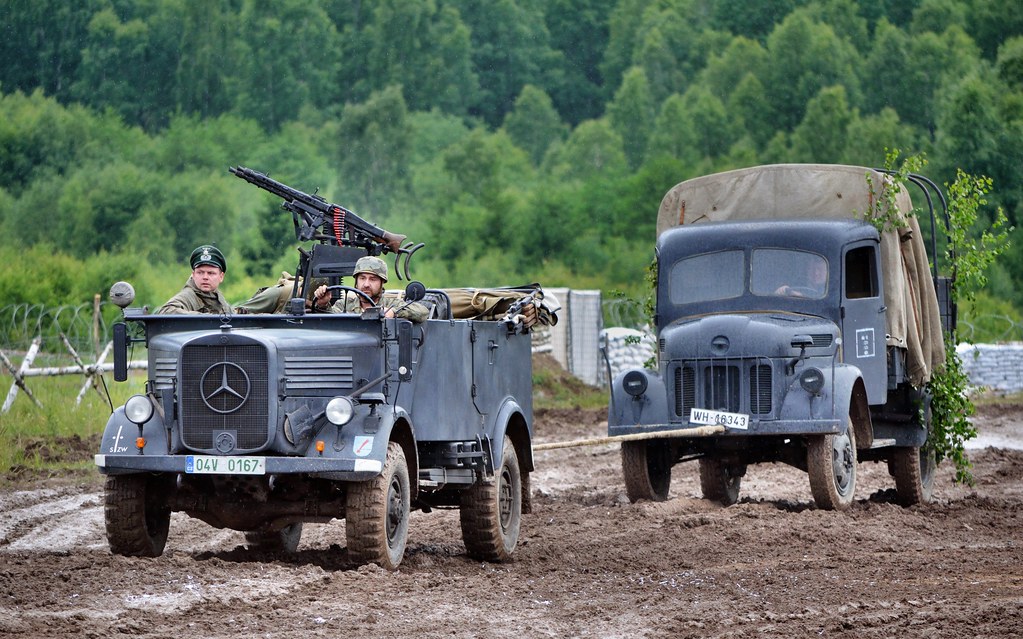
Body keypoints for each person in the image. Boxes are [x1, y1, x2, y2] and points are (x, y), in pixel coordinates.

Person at [312, 256, 428, 322]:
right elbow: (331, 317)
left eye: (372, 279)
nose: (366, 284)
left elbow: (423, 312)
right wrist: (323, 304)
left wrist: (393, 312)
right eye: (362, 278)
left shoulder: (391, 304)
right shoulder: (344, 305)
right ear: (356, 281)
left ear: (382, 283)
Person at [156, 245, 233, 315]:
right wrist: (201, 317)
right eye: (200, 272)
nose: (205, 277)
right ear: (193, 274)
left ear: (221, 276)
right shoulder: (188, 296)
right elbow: (165, 311)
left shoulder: (217, 297)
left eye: (211, 273)